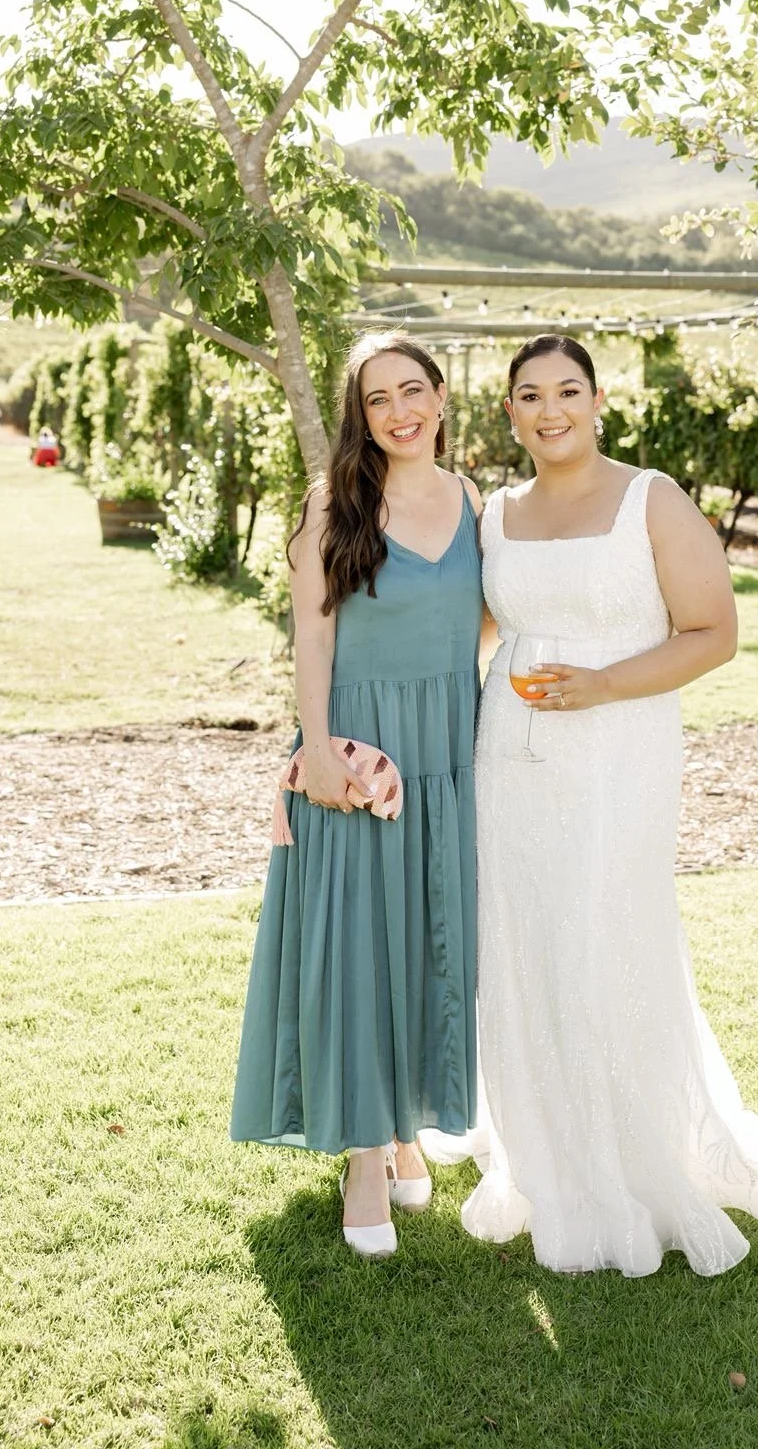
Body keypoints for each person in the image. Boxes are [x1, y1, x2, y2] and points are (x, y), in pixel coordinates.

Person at [462, 333, 758, 1277]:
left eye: (567, 390)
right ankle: (543, 1139)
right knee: (526, 939)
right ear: (510, 413)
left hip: (618, 754)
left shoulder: (652, 498)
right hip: (512, 759)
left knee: (606, 934)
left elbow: (714, 632)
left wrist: (606, 684)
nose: (550, 409)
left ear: (598, 397)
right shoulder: (495, 513)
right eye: (529, 395)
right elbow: (481, 626)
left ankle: (635, 1150)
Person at [231, 330, 483, 1260]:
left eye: (413, 391)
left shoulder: (474, 502)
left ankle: (408, 1124)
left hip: (451, 759)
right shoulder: (334, 504)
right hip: (359, 756)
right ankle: (365, 1159)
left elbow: (490, 625)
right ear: (358, 415)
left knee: (428, 943)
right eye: (378, 400)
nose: (399, 412)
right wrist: (321, 757)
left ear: (443, 397)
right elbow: (312, 640)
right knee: (359, 947)